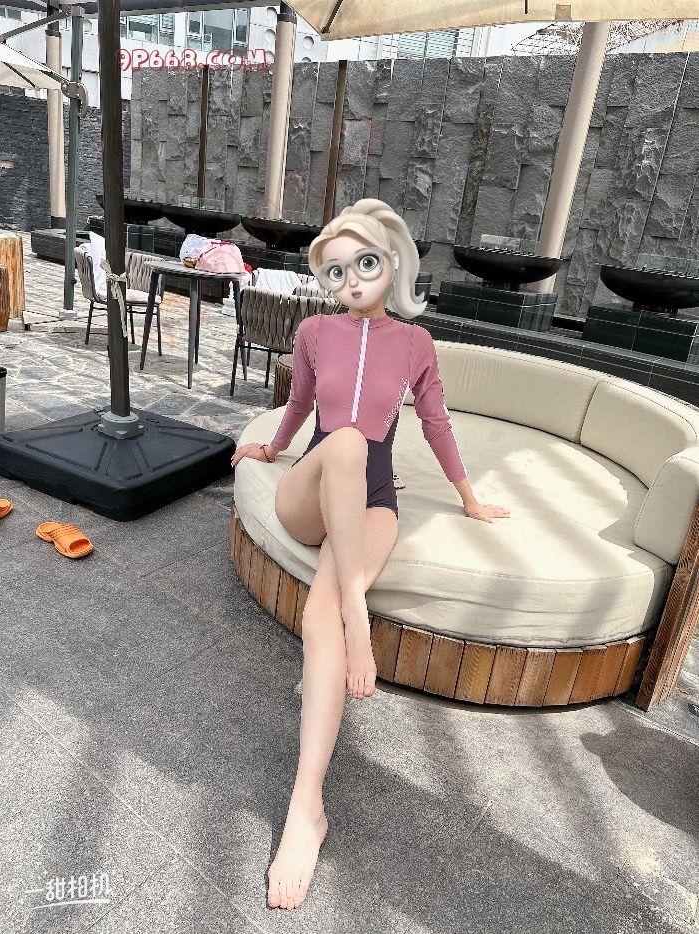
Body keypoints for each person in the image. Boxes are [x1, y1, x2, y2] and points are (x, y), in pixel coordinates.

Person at [230, 198, 510, 911]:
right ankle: (360, 614)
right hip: (311, 486)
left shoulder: (414, 343)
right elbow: (299, 406)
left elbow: (437, 422)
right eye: (335, 270)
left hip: (374, 501)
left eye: (364, 263)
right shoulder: (314, 331)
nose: (350, 280)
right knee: (349, 440)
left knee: (318, 617)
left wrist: (470, 498)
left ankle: (306, 809)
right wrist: (270, 448)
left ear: (392, 263)